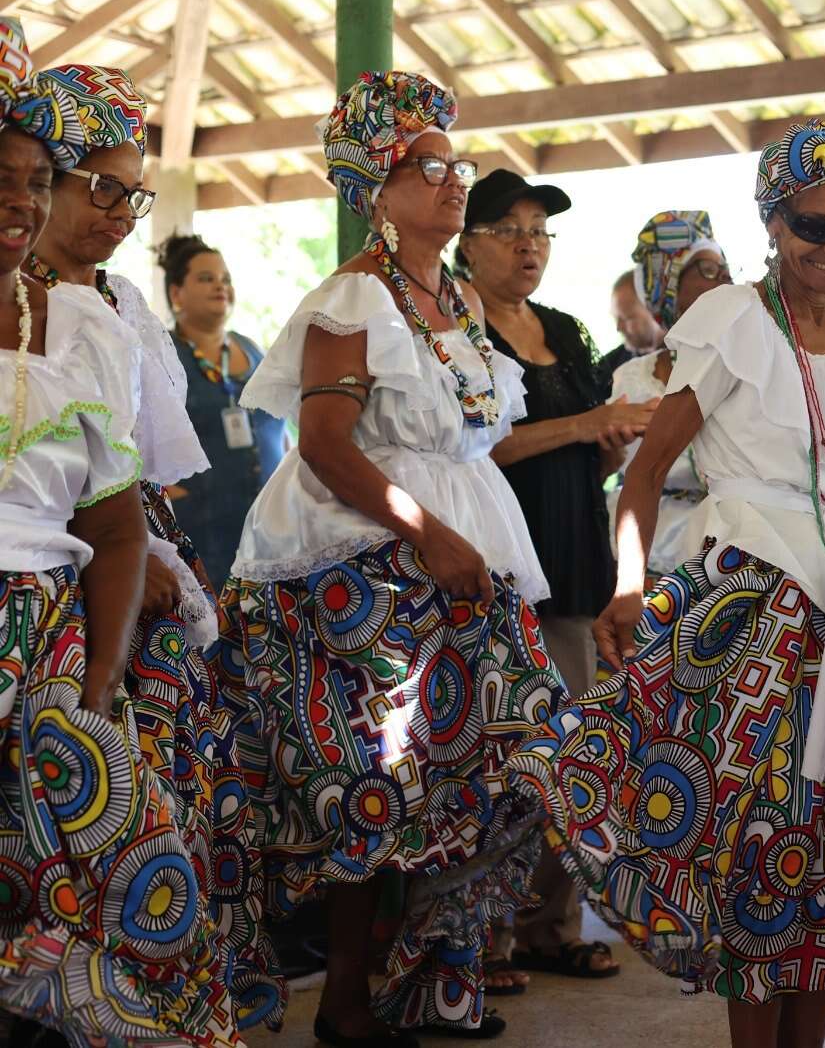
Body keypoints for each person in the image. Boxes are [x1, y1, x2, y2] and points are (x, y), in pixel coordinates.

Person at [525, 118, 825, 1048]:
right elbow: (645, 475)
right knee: (759, 842)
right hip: (753, 605)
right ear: (773, 223)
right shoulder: (732, 319)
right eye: (819, 228)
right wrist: (624, 591)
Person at [216, 72, 565, 1045]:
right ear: (378, 182)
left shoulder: (450, 296)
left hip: (449, 551)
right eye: (427, 164)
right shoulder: (353, 295)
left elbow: (471, 442)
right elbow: (326, 442)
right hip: (350, 562)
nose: (454, 180)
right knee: (378, 781)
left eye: (459, 163)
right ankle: (347, 998)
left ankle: (435, 979)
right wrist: (427, 532)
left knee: (496, 757)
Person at [27, 60, 286, 1033]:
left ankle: (143, 995)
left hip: (132, 555)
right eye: (102, 188)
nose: (122, 212)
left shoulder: (125, 306)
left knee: (166, 782)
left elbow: (150, 478)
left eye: (134, 194)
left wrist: (170, 571)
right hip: (57, 567)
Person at [454, 168, 645, 982]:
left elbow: (601, 447)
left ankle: (551, 925)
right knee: (497, 759)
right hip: (497, 566)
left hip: (576, 562)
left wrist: (610, 445)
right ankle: (480, 940)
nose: (529, 244)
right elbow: (476, 446)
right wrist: (582, 424)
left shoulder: (564, 331)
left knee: (574, 756)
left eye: (540, 229)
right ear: (466, 243)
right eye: (510, 228)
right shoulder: (456, 331)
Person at [605, 210, 732, 582]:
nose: (724, 278)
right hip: (651, 552)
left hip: (731, 551)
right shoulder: (634, 375)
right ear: (667, 284)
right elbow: (621, 469)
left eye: (725, 268)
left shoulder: (749, 367)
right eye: (707, 270)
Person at [158, 233, 288, 585]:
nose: (220, 286)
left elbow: (281, 429)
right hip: (200, 532)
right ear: (176, 294)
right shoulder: (161, 355)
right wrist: (174, 500)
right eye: (206, 278)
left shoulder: (252, 350)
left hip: (268, 531)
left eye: (226, 279)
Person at [600, 268, 665, 383]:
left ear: (654, 310)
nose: (618, 328)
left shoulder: (683, 357)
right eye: (616, 318)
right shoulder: (610, 368)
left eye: (626, 318)